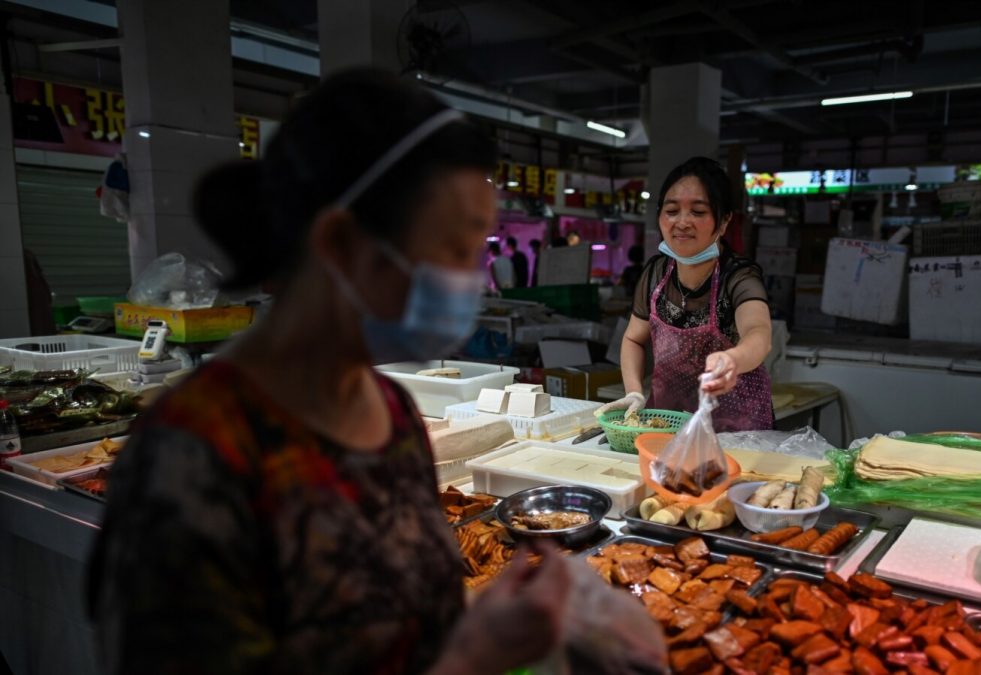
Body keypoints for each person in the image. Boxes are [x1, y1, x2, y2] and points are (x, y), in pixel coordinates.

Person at [87, 70, 569, 675]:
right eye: (455, 247)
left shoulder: (392, 415)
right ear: (342, 242)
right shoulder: (195, 452)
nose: (472, 280)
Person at [596, 157, 774, 432]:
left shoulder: (738, 277)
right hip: (665, 427)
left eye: (698, 212)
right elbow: (633, 338)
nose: (682, 222)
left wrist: (733, 360)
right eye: (671, 210)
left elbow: (759, 333)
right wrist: (633, 392)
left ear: (724, 220)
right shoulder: (656, 273)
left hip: (735, 436)